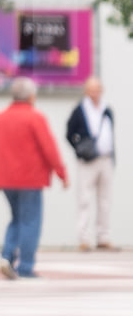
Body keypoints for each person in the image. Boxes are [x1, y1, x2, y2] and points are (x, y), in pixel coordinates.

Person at [0, 77, 69, 279]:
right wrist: (61, 173)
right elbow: (50, 149)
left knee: (17, 219)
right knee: (30, 221)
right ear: (31, 97)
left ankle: (7, 256)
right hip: (31, 179)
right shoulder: (35, 118)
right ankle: (26, 266)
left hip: (5, 180)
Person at [64, 78, 116, 252]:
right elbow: (69, 133)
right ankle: (83, 238)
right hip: (87, 161)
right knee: (84, 199)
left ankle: (103, 237)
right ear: (86, 91)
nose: (95, 93)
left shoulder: (106, 109)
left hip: (105, 159)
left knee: (105, 200)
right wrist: (79, 149)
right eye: (91, 90)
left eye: (97, 89)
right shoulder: (80, 110)